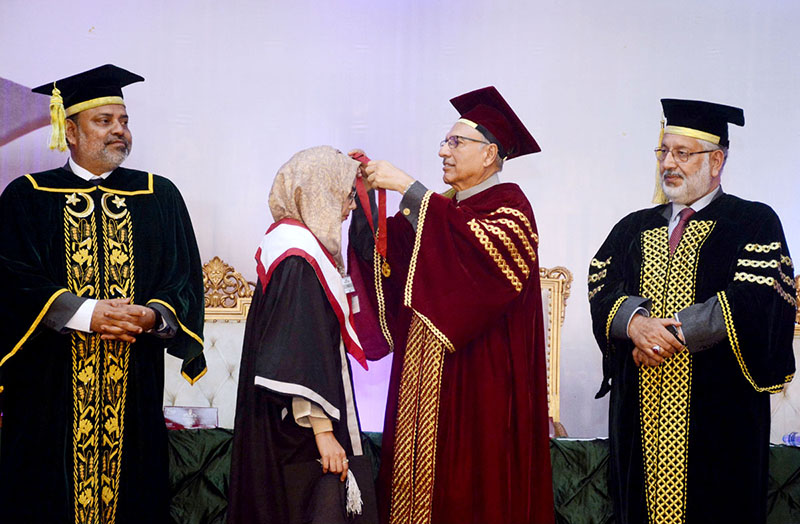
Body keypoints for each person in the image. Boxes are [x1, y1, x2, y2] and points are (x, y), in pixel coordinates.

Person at [0, 64, 206, 524]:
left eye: (124, 120)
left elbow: (182, 278)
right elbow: (11, 278)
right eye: (104, 121)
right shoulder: (27, 197)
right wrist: (83, 313)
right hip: (47, 393)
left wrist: (154, 317)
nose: (119, 131)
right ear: (69, 130)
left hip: (133, 384)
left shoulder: (159, 196)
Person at [348, 86, 555, 524]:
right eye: (445, 141)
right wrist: (363, 197)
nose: (444, 150)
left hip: (481, 383)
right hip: (420, 386)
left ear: (490, 154)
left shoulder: (511, 207)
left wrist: (406, 186)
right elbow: (388, 254)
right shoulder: (438, 210)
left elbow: (476, 260)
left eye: (456, 142)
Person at [589, 99, 796, 524]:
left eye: (683, 153)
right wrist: (636, 323)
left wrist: (672, 334)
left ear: (716, 160)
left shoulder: (753, 222)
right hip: (638, 421)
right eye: (663, 152)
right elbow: (601, 285)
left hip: (720, 419)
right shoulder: (632, 227)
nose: (669, 163)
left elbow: (756, 299)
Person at [227, 145, 376, 524]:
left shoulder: (293, 247)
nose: (351, 207)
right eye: (345, 195)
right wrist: (324, 433)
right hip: (299, 430)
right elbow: (295, 354)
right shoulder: (298, 260)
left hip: (285, 422)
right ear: (318, 192)